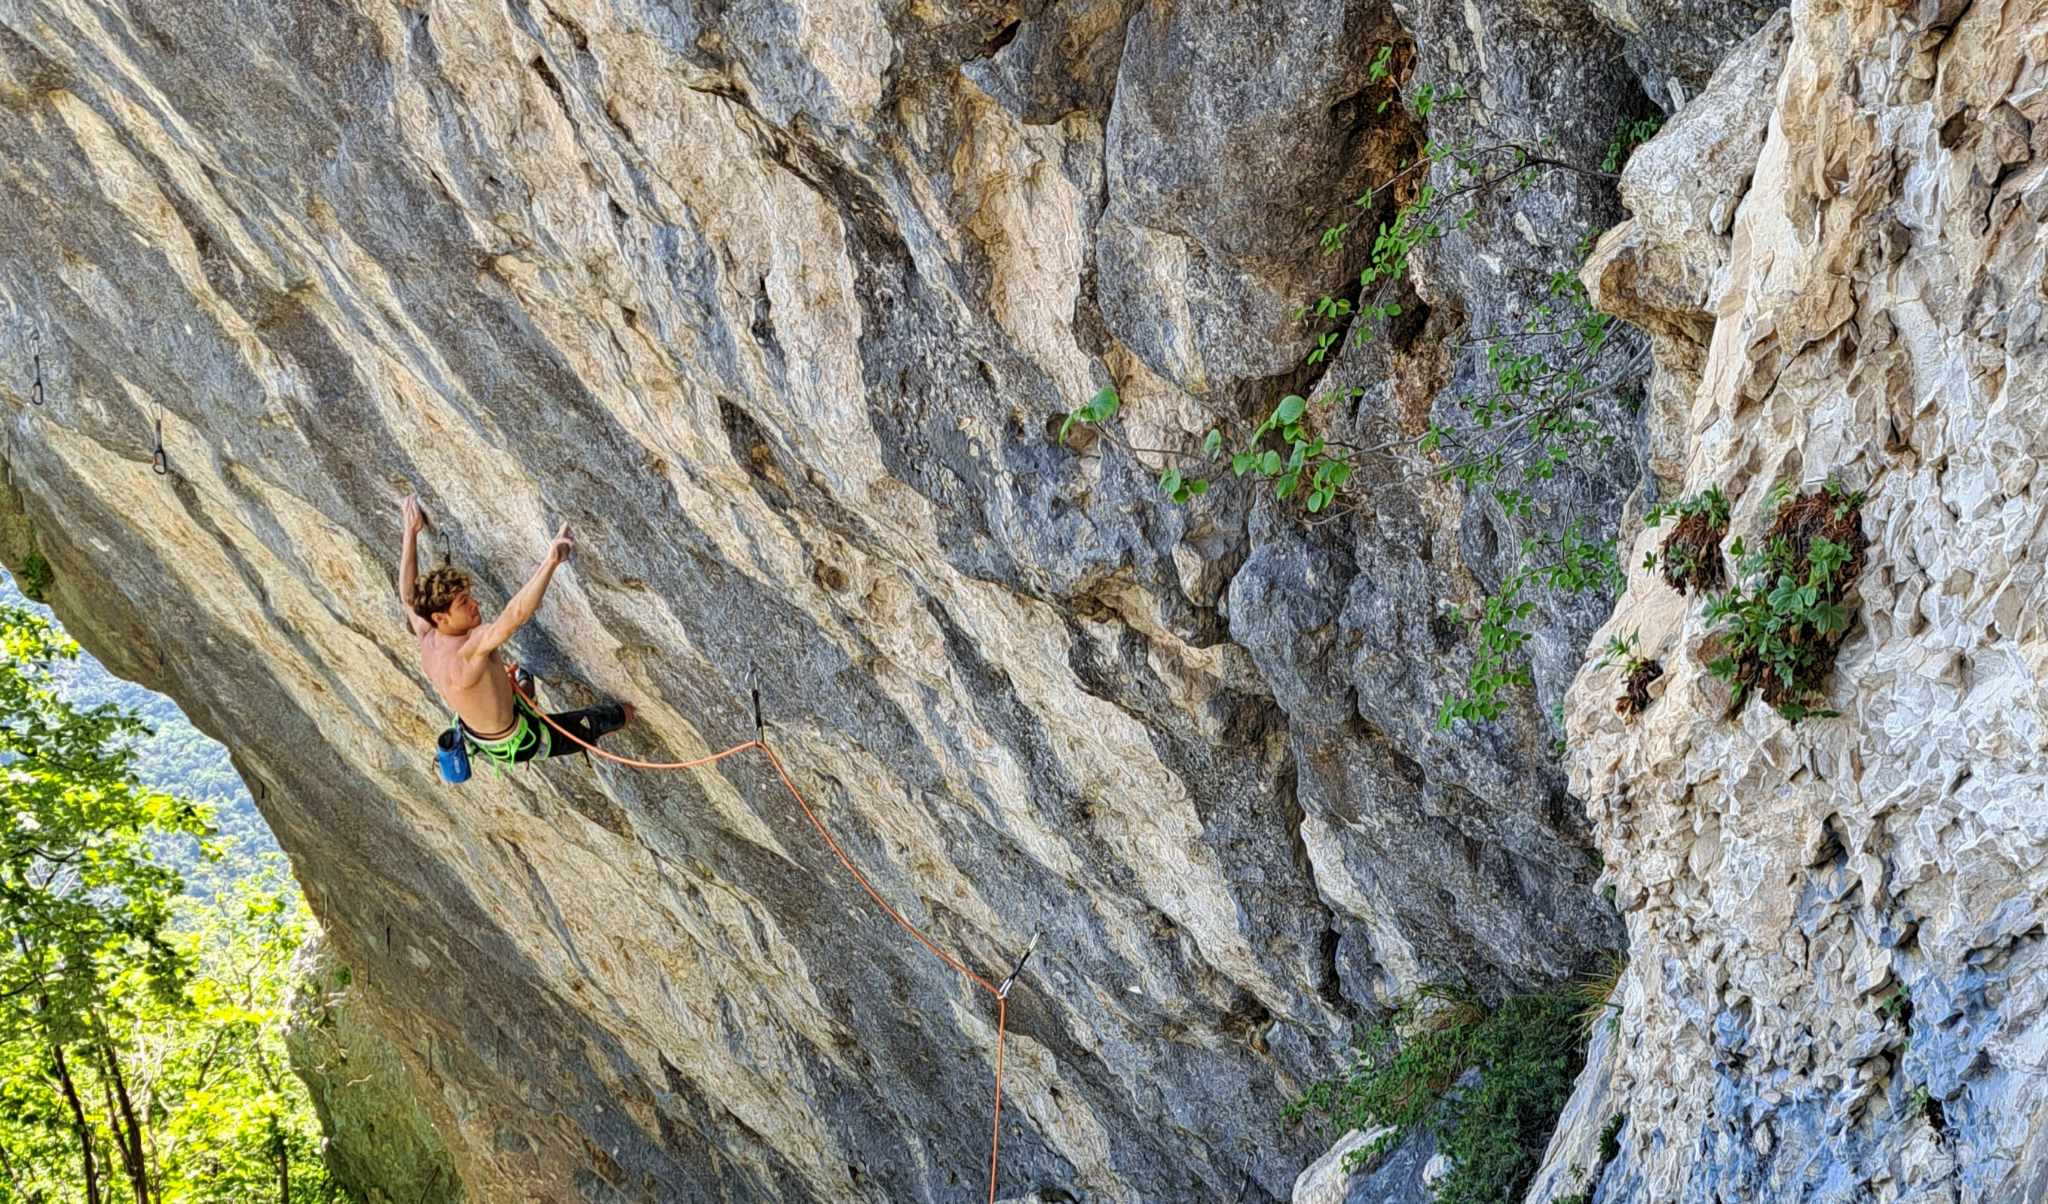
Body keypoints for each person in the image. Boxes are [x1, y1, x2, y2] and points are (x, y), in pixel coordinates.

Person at [397, 495, 633, 771]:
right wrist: (551, 561)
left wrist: (410, 531)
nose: (475, 604)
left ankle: (522, 691)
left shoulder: (427, 635)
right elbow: (514, 616)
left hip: (482, 730)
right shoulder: (467, 651)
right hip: (520, 740)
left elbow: (407, 596)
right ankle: (620, 717)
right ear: (441, 617)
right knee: (618, 714)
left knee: (522, 677)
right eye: (464, 603)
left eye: (469, 597)